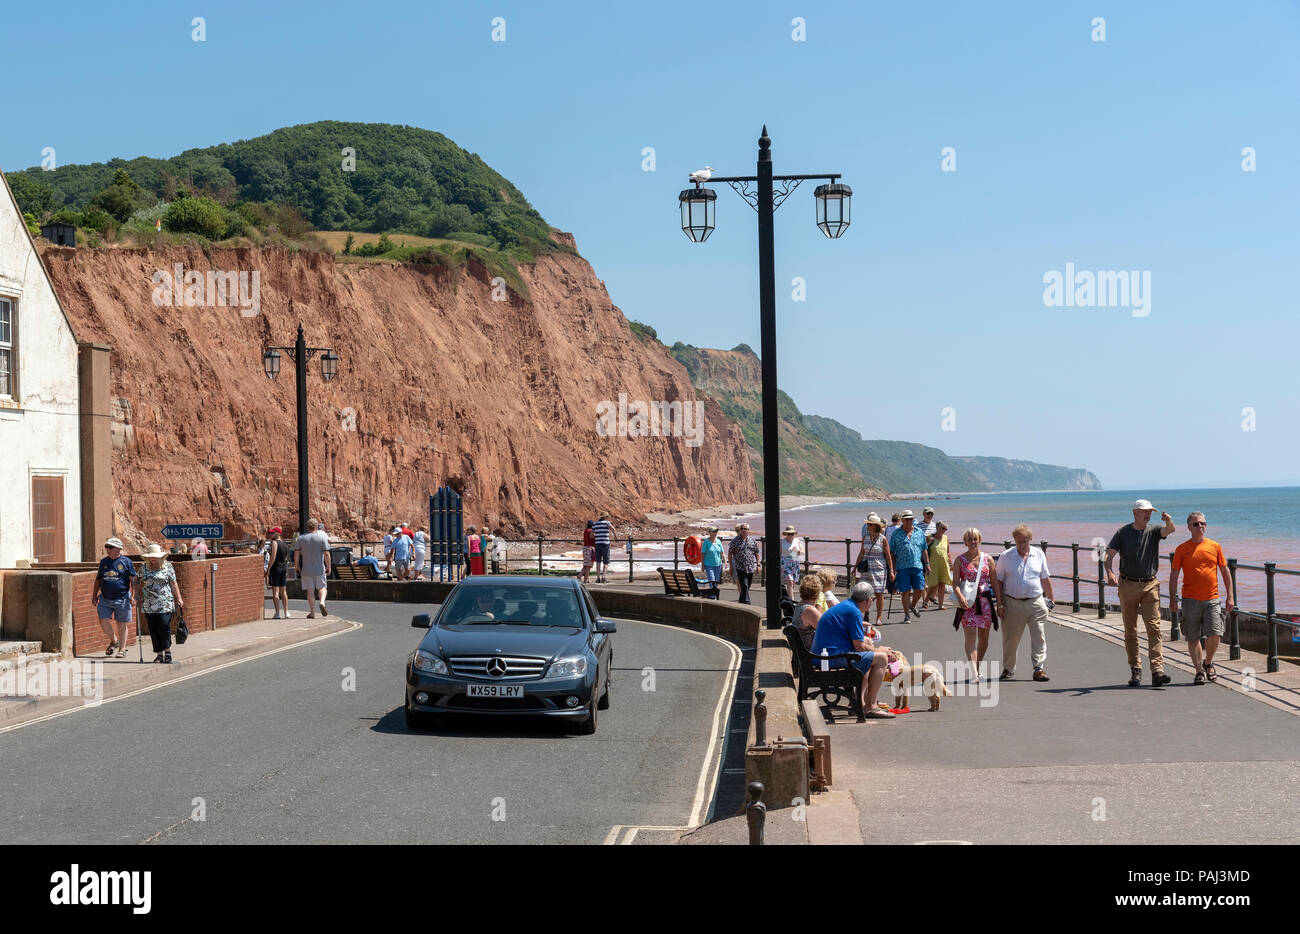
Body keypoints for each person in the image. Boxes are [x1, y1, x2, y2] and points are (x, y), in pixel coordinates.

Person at [1106, 499, 1176, 687]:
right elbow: (1110, 554)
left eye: (1150, 512)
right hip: (1128, 584)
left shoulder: (1153, 531)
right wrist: (1110, 572)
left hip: (1150, 584)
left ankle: (1157, 671)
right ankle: (1135, 669)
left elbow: (1169, 530)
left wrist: (1168, 521)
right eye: (1145, 511)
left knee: (1154, 627)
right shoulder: (1123, 532)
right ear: (1135, 512)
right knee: (1131, 630)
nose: (1148, 515)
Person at [810, 582, 895, 719]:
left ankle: (858, 702)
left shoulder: (847, 606)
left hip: (822, 656)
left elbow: (858, 643)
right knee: (881, 659)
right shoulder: (854, 612)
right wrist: (881, 650)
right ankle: (871, 706)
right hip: (830, 658)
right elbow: (859, 647)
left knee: (868, 658)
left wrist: (873, 648)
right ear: (868, 600)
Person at [1170, 512, 1234, 686]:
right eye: (1197, 524)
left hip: (1212, 598)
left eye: (1203, 523)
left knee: (1215, 633)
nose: (1201, 527)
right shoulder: (1182, 549)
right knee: (1193, 637)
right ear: (1189, 527)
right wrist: (1172, 599)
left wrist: (1230, 596)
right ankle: (1199, 671)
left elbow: (1225, 572)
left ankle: (1208, 662)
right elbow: (1174, 574)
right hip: (1190, 599)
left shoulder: (1215, 546)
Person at [995, 524, 1055, 682]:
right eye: (1020, 541)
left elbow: (1045, 578)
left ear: (1030, 539)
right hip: (1012, 602)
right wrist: (999, 604)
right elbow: (998, 581)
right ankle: (1008, 668)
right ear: (1014, 540)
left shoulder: (1039, 554)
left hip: (1035, 601)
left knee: (1039, 636)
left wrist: (1051, 600)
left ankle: (1038, 668)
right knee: (1010, 638)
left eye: (1026, 541)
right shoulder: (1006, 556)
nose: (1023, 544)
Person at [952, 528, 999, 682]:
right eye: (970, 539)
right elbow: (955, 583)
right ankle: (974, 672)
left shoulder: (988, 559)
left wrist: (1000, 603)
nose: (973, 542)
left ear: (979, 540)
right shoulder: (960, 560)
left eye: (975, 539)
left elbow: (994, 583)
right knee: (970, 637)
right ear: (965, 541)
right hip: (967, 603)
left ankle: (977, 667)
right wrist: (960, 598)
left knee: (984, 638)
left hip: (984, 602)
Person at [135, 542, 183, 664]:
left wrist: (179, 598)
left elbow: (173, 583)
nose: (152, 559)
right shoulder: (144, 567)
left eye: (155, 557)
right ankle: (159, 654)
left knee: (164, 626)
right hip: (149, 603)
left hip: (165, 602)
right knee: (153, 629)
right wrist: (136, 593)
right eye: (150, 557)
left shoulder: (168, 567)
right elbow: (136, 580)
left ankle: (167, 652)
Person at [92, 537, 137, 658]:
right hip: (105, 598)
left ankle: (122, 649)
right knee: (103, 620)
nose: (108, 549)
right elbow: (98, 579)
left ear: (119, 549)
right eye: (107, 547)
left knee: (121, 624)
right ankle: (114, 640)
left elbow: (134, 581)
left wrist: (133, 596)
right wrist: (94, 594)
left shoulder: (126, 562)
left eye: (110, 547)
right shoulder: (104, 562)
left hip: (122, 598)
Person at [888, 510, 930, 622]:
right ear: (902, 520)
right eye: (906, 519)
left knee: (920, 589)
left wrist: (927, 564)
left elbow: (924, 549)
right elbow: (891, 551)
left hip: (917, 565)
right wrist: (893, 568)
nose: (909, 521)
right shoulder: (896, 533)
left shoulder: (919, 532)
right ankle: (907, 615)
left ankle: (912, 605)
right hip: (902, 566)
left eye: (911, 519)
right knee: (905, 591)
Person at [853, 513, 893, 626]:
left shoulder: (883, 539)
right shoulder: (865, 538)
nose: (868, 526)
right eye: (868, 524)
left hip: (879, 569)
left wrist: (891, 571)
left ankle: (879, 617)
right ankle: (866, 613)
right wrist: (855, 567)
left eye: (870, 524)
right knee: (864, 593)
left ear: (875, 526)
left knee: (879, 593)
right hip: (866, 569)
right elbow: (861, 553)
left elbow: (888, 555)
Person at [294, 520, 332, 618]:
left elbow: (296, 553)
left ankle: (312, 613)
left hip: (306, 569)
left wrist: (296, 565)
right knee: (322, 587)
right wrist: (328, 567)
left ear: (307, 527)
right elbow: (327, 554)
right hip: (319, 568)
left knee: (310, 591)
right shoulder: (322, 538)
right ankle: (322, 602)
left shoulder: (301, 538)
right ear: (316, 527)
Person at [727, 523, 761, 604]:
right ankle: (748, 604)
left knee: (746, 587)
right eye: (741, 529)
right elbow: (729, 554)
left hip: (750, 567)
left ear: (748, 530)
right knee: (744, 586)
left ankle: (741, 603)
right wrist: (731, 567)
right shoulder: (735, 541)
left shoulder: (752, 540)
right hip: (740, 567)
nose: (743, 530)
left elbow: (756, 553)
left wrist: (758, 565)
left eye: (745, 529)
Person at [923, 521, 952, 610]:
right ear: (937, 527)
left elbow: (947, 552)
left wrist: (950, 563)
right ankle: (926, 600)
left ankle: (940, 604)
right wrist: (927, 564)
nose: (944, 530)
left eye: (945, 529)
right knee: (933, 584)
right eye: (942, 528)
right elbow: (924, 550)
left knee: (942, 583)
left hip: (944, 564)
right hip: (933, 564)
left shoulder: (946, 538)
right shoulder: (930, 537)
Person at [792, 575, 823, 651]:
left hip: (804, 650)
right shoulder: (810, 610)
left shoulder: (799, 606)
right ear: (817, 593)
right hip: (812, 653)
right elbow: (827, 631)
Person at [265, 527, 291, 619]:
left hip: (276, 568)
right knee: (283, 591)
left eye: (272, 533)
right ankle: (286, 612)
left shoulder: (275, 543)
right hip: (283, 567)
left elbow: (273, 556)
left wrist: (268, 568)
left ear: (277, 534)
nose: (270, 535)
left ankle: (277, 613)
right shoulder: (285, 544)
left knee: (275, 592)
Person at [780, 526, 805, 601]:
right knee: (790, 581)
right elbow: (779, 553)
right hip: (785, 563)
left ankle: (787, 598)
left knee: (792, 583)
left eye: (792, 534)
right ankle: (792, 601)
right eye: (789, 534)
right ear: (785, 534)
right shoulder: (782, 541)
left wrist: (797, 551)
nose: (790, 535)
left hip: (795, 562)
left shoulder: (797, 541)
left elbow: (803, 552)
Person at [591, 512, 614, 583]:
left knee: (598, 561)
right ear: (605, 517)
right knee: (606, 561)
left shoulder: (595, 524)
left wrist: (597, 537)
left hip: (597, 544)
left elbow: (591, 535)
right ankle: (603, 577)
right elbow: (613, 529)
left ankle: (598, 578)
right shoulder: (607, 523)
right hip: (605, 544)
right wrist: (615, 537)